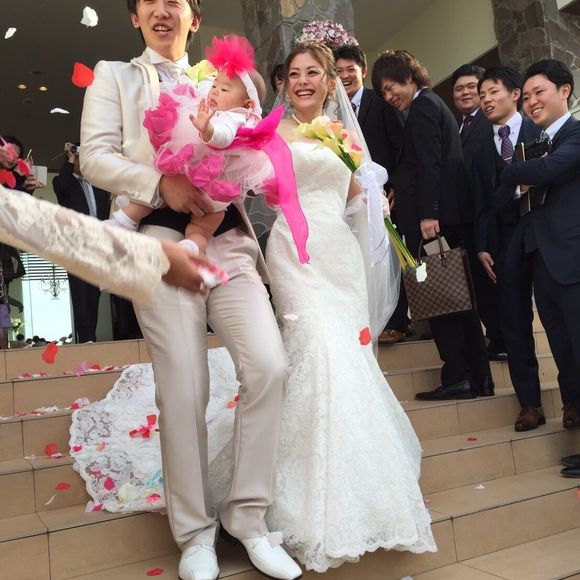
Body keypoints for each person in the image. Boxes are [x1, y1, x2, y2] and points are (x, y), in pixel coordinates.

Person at [80, 2, 299, 579]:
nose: (161, 9)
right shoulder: (115, 75)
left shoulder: (221, 79)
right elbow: (96, 158)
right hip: (157, 239)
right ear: (135, 16)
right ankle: (195, 533)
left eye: (174, 0)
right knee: (183, 386)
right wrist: (161, 183)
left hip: (227, 238)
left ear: (193, 18)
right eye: (149, 0)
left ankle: (247, 517)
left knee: (269, 366)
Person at [265, 41, 435, 571]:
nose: (303, 80)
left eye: (313, 72)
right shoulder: (271, 132)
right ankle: (300, 496)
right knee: (314, 347)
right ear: (284, 83)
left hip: (338, 257)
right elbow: (254, 186)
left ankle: (364, 485)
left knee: (346, 357)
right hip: (293, 249)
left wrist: (373, 204)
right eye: (294, 73)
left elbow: (354, 199)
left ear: (330, 80)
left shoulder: (344, 135)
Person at [372, 50, 493, 400]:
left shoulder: (423, 107)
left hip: (432, 223)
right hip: (445, 219)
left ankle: (458, 375)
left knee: (441, 298)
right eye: (383, 92)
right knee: (459, 298)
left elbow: (430, 164)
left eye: (391, 87)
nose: (389, 96)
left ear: (409, 77)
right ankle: (478, 377)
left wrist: (428, 214)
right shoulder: (432, 105)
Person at [109, 35, 271, 258]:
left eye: (224, 90)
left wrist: (208, 130)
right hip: (192, 177)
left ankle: (193, 243)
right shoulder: (215, 106)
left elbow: (223, 136)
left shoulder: (237, 117)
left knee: (207, 220)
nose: (215, 91)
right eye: (214, 84)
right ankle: (128, 221)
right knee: (160, 195)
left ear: (247, 104)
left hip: (208, 182)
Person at [500, 59, 580, 431]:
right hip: (544, 262)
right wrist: (527, 170)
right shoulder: (538, 144)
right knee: (563, 350)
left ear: (565, 90)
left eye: (539, 92)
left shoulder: (575, 134)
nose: (531, 102)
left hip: (573, 261)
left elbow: (547, 170)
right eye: (527, 96)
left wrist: (515, 170)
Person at [473, 67, 543, 431]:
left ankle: (573, 400)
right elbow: (480, 202)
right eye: (482, 94)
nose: (485, 99)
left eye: (493, 92)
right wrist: (483, 246)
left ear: (515, 94)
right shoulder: (478, 146)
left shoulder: (539, 131)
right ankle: (529, 404)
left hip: (543, 234)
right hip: (502, 242)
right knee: (514, 325)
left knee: (559, 318)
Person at [333, 44, 408, 346]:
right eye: (338, 71)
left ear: (362, 71)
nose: (344, 75)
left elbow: (401, 145)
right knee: (362, 256)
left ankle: (399, 322)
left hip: (385, 195)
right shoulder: (333, 110)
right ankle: (369, 320)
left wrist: (395, 187)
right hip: (351, 199)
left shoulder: (381, 102)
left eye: (350, 69)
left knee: (389, 255)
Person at [451, 63, 507, 362]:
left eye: (472, 87)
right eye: (458, 88)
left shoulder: (489, 124)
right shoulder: (459, 126)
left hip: (489, 216)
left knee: (492, 282)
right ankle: (496, 336)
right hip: (470, 217)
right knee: (479, 283)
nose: (465, 93)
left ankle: (502, 338)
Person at [52, 142, 111, 343]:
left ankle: (91, 335)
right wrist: (69, 158)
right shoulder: (65, 183)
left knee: (94, 293)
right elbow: (62, 186)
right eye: (77, 158)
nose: (81, 162)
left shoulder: (98, 185)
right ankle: (85, 338)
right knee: (81, 293)